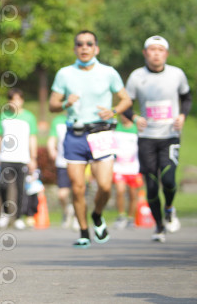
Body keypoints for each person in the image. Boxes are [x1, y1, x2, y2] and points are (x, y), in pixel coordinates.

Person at [49, 30, 132, 248]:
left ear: (96, 48)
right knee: (78, 188)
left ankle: (97, 215)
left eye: (89, 43)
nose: (84, 47)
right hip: (75, 135)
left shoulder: (109, 72)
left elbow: (126, 99)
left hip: (102, 133)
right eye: (79, 44)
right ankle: (84, 232)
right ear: (75, 48)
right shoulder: (64, 74)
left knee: (105, 186)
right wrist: (66, 103)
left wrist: (113, 111)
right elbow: (52, 104)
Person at [124, 35, 191, 243]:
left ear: (166, 54)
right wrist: (134, 117)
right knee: (151, 185)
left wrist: (182, 116)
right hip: (146, 138)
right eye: (152, 50)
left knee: (169, 179)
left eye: (160, 50)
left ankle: (169, 207)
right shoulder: (136, 76)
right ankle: (159, 226)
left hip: (170, 136)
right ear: (145, 53)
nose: (156, 53)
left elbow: (187, 97)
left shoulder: (177, 74)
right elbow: (125, 104)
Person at [0, 88, 38, 230]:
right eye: (12, 99)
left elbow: (32, 138)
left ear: (22, 100)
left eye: (18, 99)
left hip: (23, 158)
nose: (15, 102)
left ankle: (18, 217)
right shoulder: (3, 116)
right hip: (6, 157)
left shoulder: (29, 117)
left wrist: (33, 158)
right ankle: (5, 213)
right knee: (3, 185)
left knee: (21, 188)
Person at [112, 113, 143, 230]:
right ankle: (121, 216)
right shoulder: (116, 127)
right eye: (122, 115)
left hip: (134, 168)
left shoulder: (137, 128)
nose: (123, 117)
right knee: (120, 190)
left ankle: (130, 217)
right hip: (119, 167)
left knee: (133, 194)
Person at [47, 114, 77, 229]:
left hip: (79, 163)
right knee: (62, 194)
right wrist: (51, 150)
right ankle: (67, 211)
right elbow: (52, 138)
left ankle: (77, 217)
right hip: (62, 162)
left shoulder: (83, 117)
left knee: (77, 192)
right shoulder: (58, 120)